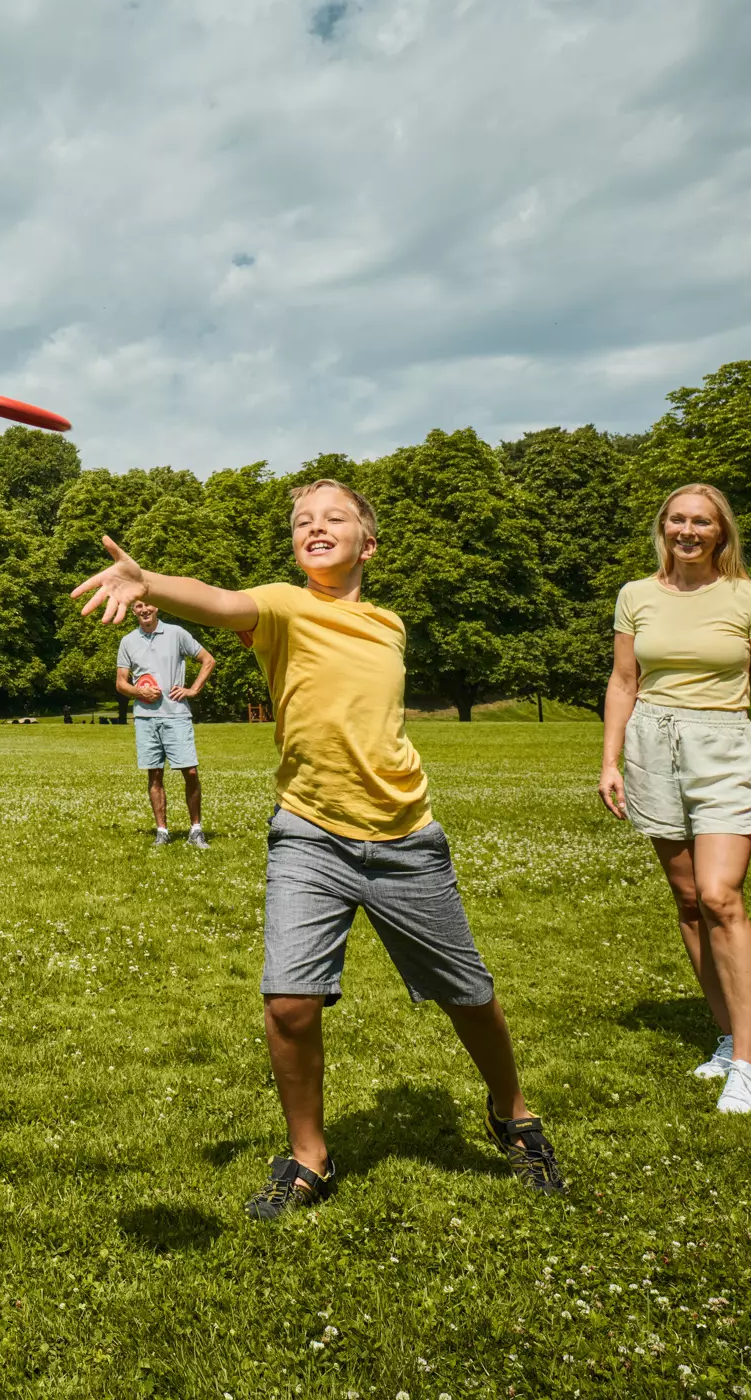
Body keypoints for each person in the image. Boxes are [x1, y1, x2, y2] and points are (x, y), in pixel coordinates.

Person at [74, 480, 563, 1217]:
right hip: (309, 833)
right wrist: (149, 584)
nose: (316, 526)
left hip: (406, 836)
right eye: (303, 521)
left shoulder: (389, 623)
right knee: (289, 1004)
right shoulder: (284, 606)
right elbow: (219, 600)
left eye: (335, 517)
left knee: (470, 997)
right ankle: (310, 1155)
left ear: (369, 543)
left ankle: (512, 1112)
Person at [598, 482, 751, 1116]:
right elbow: (624, 680)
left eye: (702, 522)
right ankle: (727, 1037)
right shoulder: (635, 595)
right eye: (678, 520)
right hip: (651, 745)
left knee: (722, 895)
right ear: (663, 527)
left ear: (722, 533)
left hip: (722, 747)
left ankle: (749, 1064)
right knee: (689, 899)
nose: (687, 530)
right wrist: (609, 761)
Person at [117, 599, 215, 847]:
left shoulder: (176, 633)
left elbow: (208, 660)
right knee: (155, 774)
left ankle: (196, 829)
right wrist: (139, 693)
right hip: (145, 718)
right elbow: (121, 683)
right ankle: (162, 831)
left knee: (190, 772)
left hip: (177, 715)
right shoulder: (128, 641)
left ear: (157, 607)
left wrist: (193, 690)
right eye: (138, 606)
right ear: (133, 611)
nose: (144, 610)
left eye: (148, 605)